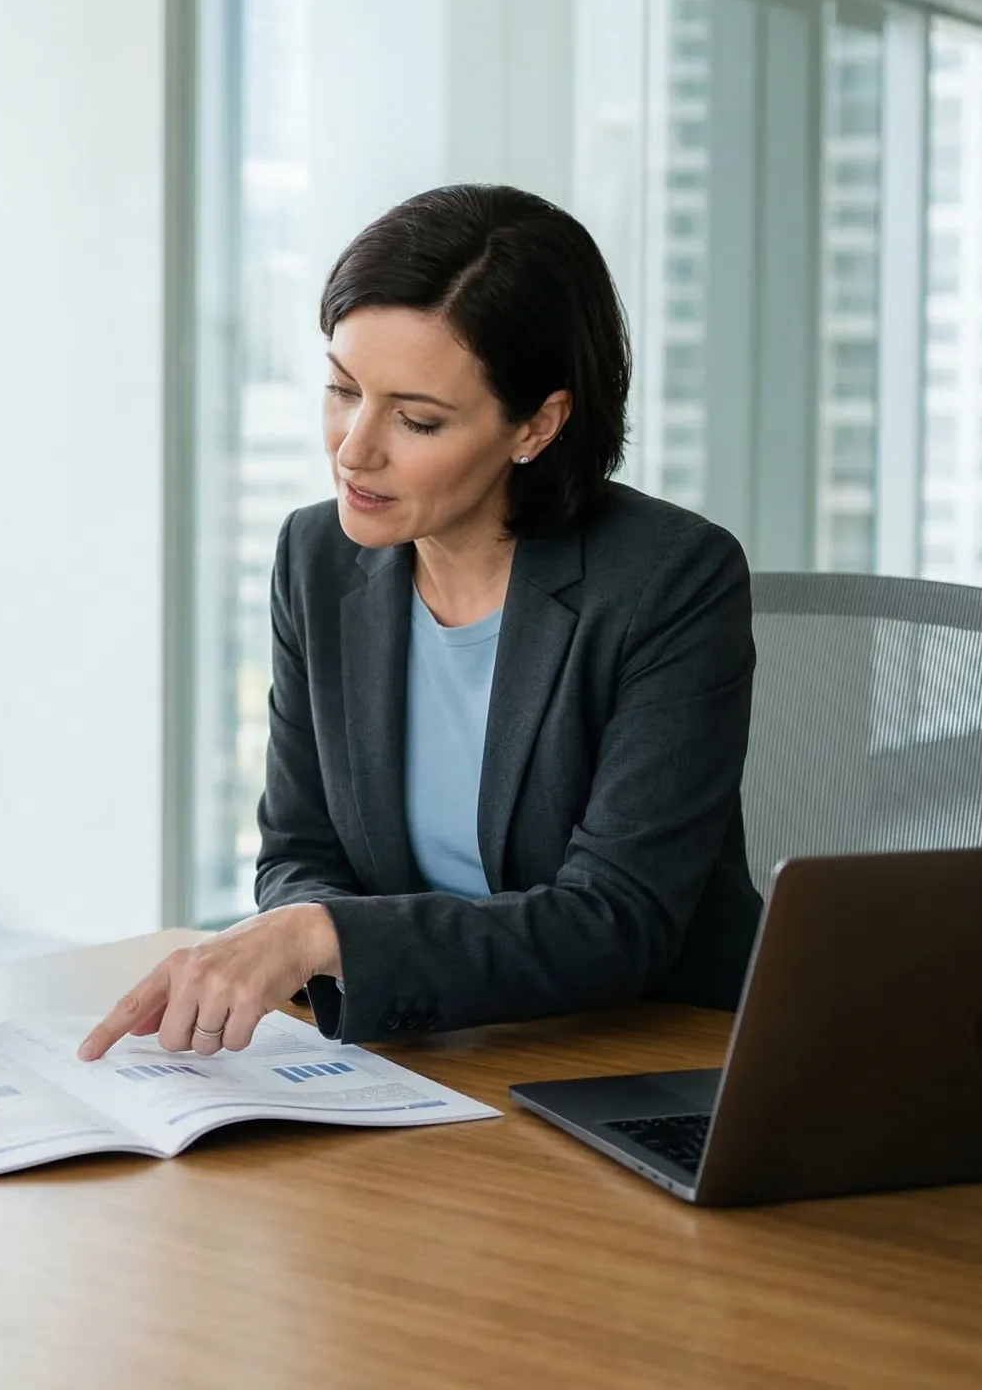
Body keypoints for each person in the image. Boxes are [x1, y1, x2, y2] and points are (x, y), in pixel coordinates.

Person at [81, 183, 759, 1062]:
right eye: (342, 389)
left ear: (538, 425)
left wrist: (325, 936)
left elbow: (615, 918)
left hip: (645, 1055)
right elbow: (298, 852)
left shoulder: (670, 580)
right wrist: (314, 934)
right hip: (425, 1052)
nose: (354, 448)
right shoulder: (317, 556)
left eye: (416, 419)